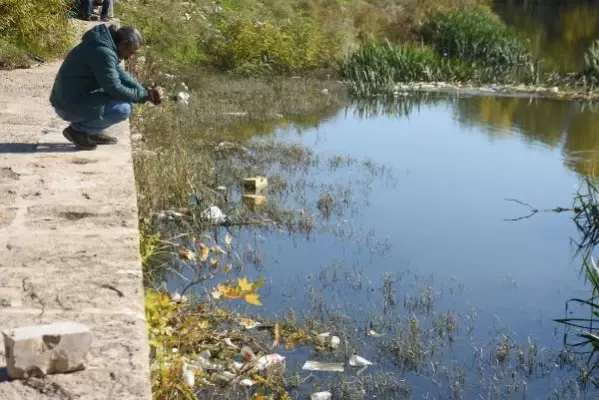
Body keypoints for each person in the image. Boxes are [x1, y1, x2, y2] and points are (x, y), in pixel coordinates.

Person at [50, 24, 164, 150]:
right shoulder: (103, 52)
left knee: (121, 100)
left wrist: (143, 90)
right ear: (123, 43)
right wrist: (144, 96)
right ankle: (78, 131)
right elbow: (115, 88)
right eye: (130, 52)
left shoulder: (104, 45)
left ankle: (91, 131)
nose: (129, 57)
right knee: (124, 108)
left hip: (69, 98)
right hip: (68, 105)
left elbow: (121, 74)